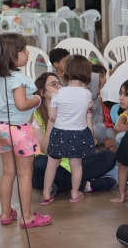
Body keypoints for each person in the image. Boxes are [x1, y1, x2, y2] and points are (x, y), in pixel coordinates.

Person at [0, 33, 52, 229]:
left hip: (2, 129)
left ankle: (6, 214)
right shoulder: (18, 78)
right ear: (12, 56)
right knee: (24, 174)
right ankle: (27, 217)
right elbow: (22, 104)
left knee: (8, 172)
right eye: (23, 50)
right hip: (20, 131)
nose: (27, 53)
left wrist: (3, 105)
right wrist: (37, 100)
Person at [32, 73, 117, 196]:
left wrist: (87, 112)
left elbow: (92, 142)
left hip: (76, 163)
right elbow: (45, 149)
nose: (59, 87)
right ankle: (85, 186)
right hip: (52, 164)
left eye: (60, 84)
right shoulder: (36, 116)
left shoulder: (74, 107)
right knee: (39, 162)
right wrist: (54, 119)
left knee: (109, 157)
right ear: (41, 92)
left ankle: (60, 186)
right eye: (54, 84)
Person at [41, 55, 96, 204]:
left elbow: (52, 116)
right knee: (76, 165)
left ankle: (46, 193)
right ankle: (74, 193)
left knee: (52, 164)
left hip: (59, 132)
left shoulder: (58, 93)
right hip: (78, 133)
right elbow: (87, 109)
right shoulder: (87, 94)